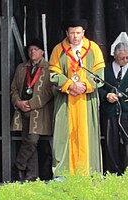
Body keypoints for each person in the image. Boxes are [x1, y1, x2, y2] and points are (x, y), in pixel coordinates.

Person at [49, 19, 105, 176]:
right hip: (65, 100)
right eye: (72, 33)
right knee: (63, 136)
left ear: (84, 33)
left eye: (78, 33)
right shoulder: (58, 50)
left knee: (89, 136)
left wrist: (84, 86)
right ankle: (63, 174)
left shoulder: (93, 48)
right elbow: (53, 74)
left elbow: (99, 75)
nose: (75, 36)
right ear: (67, 33)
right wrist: (70, 85)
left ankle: (91, 172)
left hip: (86, 100)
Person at [11, 38, 53, 181]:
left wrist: (31, 103)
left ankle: (18, 166)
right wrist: (18, 102)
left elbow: (49, 92)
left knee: (32, 141)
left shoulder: (49, 68)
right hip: (22, 110)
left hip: (39, 112)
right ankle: (31, 175)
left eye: (35, 49)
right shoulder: (21, 68)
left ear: (42, 52)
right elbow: (14, 88)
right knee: (27, 142)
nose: (32, 52)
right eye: (30, 49)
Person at [99, 42, 128, 175]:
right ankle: (112, 172)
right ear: (115, 56)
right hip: (110, 112)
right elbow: (98, 89)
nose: (125, 60)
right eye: (121, 58)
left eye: (127, 58)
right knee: (110, 142)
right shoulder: (105, 70)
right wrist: (106, 95)